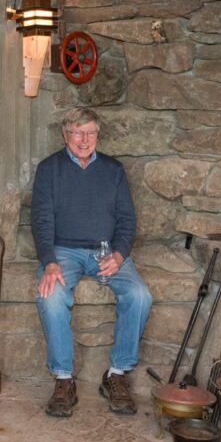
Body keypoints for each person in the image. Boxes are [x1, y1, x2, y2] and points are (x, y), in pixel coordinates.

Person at [31, 107, 152, 418]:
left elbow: (127, 219)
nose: (84, 139)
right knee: (51, 295)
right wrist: (50, 262)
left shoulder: (113, 170)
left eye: (90, 133)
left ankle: (117, 374)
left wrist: (119, 255)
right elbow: (41, 220)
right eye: (77, 132)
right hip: (63, 251)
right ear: (65, 135)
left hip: (106, 251)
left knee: (140, 295)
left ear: (98, 135)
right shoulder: (50, 169)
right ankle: (63, 379)